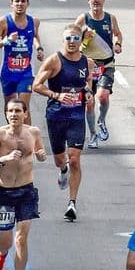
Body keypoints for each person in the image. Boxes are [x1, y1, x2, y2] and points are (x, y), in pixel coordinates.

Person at [0, 100, 46, 270]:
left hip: (26, 191)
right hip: (4, 193)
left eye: (18, 111)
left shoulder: (33, 132)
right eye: (10, 111)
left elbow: (40, 152)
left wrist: (42, 155)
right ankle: (1, 252)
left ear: (25, 114)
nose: (13, 114)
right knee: (7, 241)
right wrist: (5, 158)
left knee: (21, 237)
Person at [32, 26, 95, 222]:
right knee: (60, 160)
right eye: (68, 38)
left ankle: (72, 203)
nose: (72, 41)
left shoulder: (88, 62)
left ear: (80, 40)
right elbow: (36, 85)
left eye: (76, 38)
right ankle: (63, 170)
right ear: (63, 39)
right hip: (56, 116)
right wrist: (57, 95)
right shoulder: (55, 60)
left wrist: (89, 94)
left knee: (74, 158)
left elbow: (88, 83)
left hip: (76, 116)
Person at [76, 0, 123, 146]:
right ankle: (93, 134)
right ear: (88, 0)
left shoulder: (110, 18)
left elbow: (118, 33)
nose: (96, 1)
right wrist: (82, 36)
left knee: (103, 96)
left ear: (103, 0)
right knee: (89, 102)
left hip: (106, 64)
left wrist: (118, 44)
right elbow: (70, 38)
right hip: (87, 65)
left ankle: (101, 121)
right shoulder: (83, 19)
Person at [0, 0, 42, 109]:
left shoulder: (34, 22)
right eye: (17, 1)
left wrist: (39, 48)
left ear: (28, 4)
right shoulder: (3, 22)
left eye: (23, 1)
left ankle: (26, 128)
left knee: (23, 106)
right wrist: (6, 41)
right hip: (8, 72)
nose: (20, 4)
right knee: (10, 106)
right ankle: (12, 127)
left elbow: (35, 36)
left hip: (26, 72)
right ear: (11, 4)